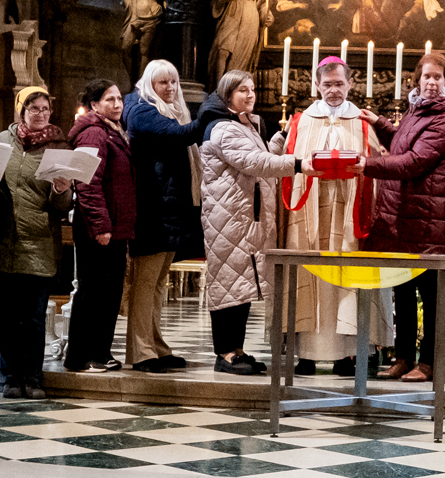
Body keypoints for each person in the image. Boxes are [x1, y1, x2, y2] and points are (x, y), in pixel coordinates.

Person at [363, 51, 445, 380]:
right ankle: (404, 357)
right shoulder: (418, 110)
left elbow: (414, 161)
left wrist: (366, 165)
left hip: (427, 217)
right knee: (404, 291)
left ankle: (429, 362)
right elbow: (401, 143)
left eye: (438, 77)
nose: (432, 82)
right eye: (427, 76)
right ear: (417, 81)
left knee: (429, 293)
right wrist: (379, 124)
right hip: (404, 214)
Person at [282, 56, 383, 375]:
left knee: (346, 275)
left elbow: (378, 166)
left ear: (350, 84)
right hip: (310, 208)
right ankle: (306, 355)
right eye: (327, 84)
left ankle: (346, 355)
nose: (334, 90)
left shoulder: (362, 122)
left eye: (339, 84)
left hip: (348, 211)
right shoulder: (302, 121)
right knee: (309, 272)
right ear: (317, 85)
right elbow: (289, 164)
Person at [198, 69, 299, 374]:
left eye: (252, 89)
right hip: (228, 219)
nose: (251, 95)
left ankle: (237, 350)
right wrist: (299, 165)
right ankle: (224, 354)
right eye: (243, 90)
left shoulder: (245, 124)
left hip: (242, 218)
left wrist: (282, 138)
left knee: (240, 284)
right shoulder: (223, 127)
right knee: (227, 283)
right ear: (227, 95)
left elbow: (262, 155)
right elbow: (255, 162)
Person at [0, 86, 73, 398]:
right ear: (21, 110)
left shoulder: (59, 147)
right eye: (34, 108)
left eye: (45, 109)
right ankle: (11, 377)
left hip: (39, 242)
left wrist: (61, 189)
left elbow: (61, 207)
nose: (41, 114)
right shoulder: (3, 140)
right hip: (4, 240)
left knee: (34, 317)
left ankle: (33, 377)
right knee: (7, 317)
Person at [124, 60, 203, 372]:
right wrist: (212, 113)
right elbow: (178, 135)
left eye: (173, 82)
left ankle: (156, 346)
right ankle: (140, 351)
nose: (170, 88)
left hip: (168, 209)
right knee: (145, 284)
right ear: (149, 85)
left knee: (158, 283)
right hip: (151, 210)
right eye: (163, 83)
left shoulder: (170, 111)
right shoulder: (142, 110)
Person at [68, 79, 137, 374]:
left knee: (109, 292)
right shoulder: (94, 133)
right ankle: (79, 356)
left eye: (119, 99)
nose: (118, 104)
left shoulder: (114, 131)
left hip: (115, 226)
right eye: (110, 99)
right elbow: (87, 182)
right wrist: (100, 226)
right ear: (94, 104)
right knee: (93, 291)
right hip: (97, 228)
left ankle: (100, 351)